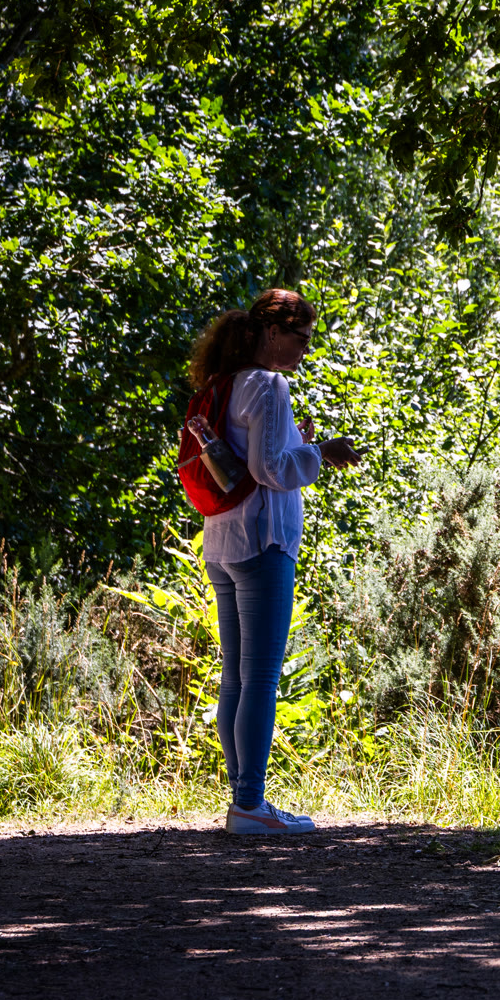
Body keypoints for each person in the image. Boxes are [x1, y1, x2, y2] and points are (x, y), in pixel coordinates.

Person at [188, 289, 362, 835]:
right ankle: (249, 804)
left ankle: (243, 799)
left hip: (223, 541)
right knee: (261, 677)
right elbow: (268, 471)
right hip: (264, 542)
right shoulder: (267, 383)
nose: (305, 350)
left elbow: (253, 457)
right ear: (271, 332)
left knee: (236, 677)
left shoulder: (224, 384)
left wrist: (297, 445)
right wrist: (322, 452)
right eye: (300, 338)